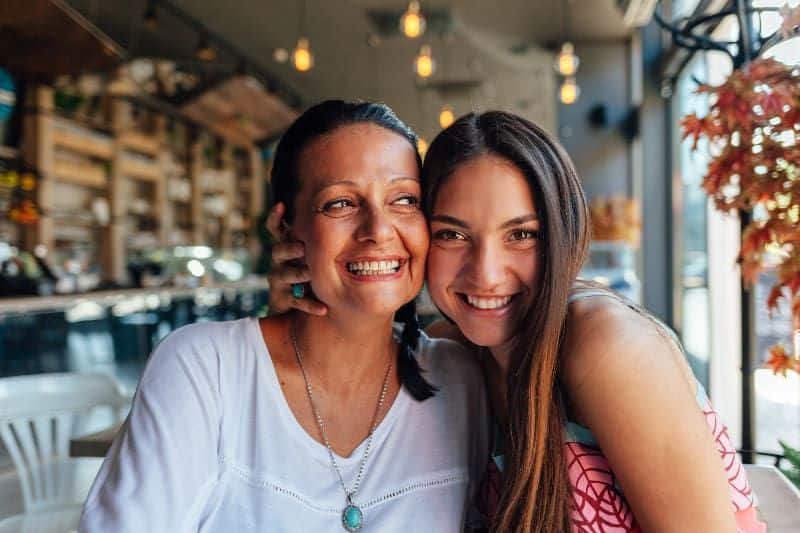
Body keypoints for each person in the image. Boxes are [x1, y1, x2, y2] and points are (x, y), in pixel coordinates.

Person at [267, 110, 765, 532]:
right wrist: (300, 300)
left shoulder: (603, 346)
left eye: (521, 235)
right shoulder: (449, 354)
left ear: (562, 234)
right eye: (452, 235)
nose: (485, 274)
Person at [79, 101, 488, 533]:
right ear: (285, 226)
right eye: (341, 203)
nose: (379, 230)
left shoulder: (458, 379)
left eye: (404, 199)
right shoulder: (205, 368)